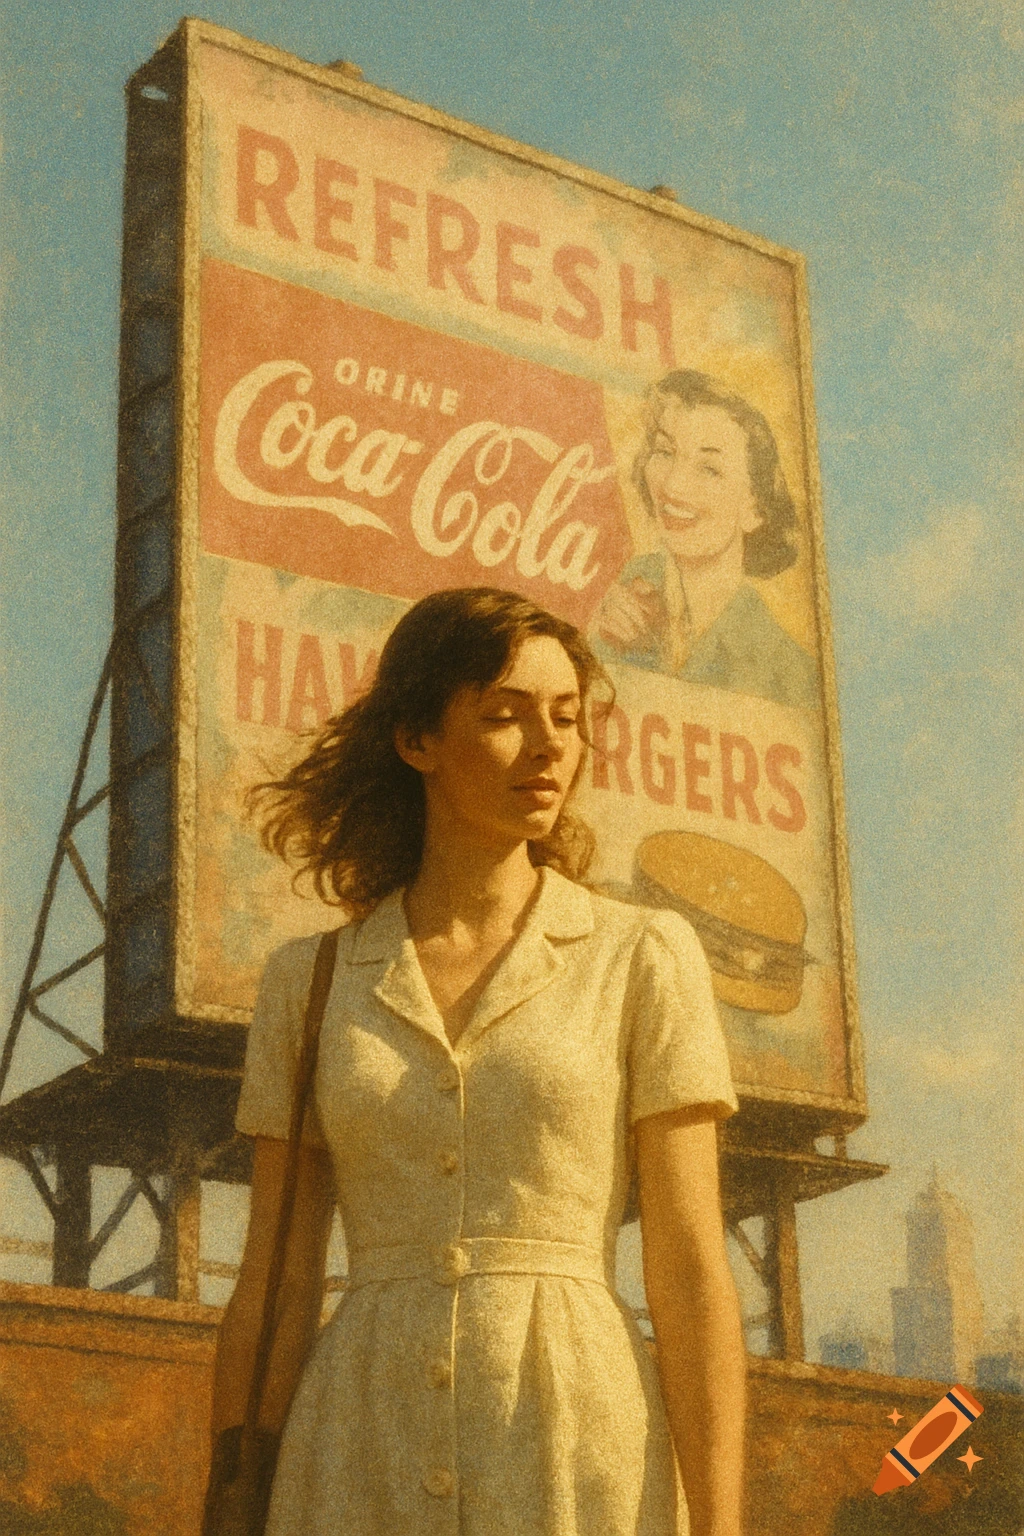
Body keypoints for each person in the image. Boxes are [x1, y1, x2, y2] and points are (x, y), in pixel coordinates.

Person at [208, 586, 746, 1536]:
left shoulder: (641, 954)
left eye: (568, 718)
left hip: (575, 1432)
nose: (549, 746)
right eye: (504, 716)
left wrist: (721, 1520)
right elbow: (278, 1278)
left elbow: (691, 1269)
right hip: (358, 1436)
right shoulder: (313, 981)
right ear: (417, 740)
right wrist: (227, 1500)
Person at [595, 369, 820, 710]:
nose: (672, 487)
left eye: (709, 469)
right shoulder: (622, 594)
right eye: (665, 452)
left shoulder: (790, 676)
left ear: (755, 508)